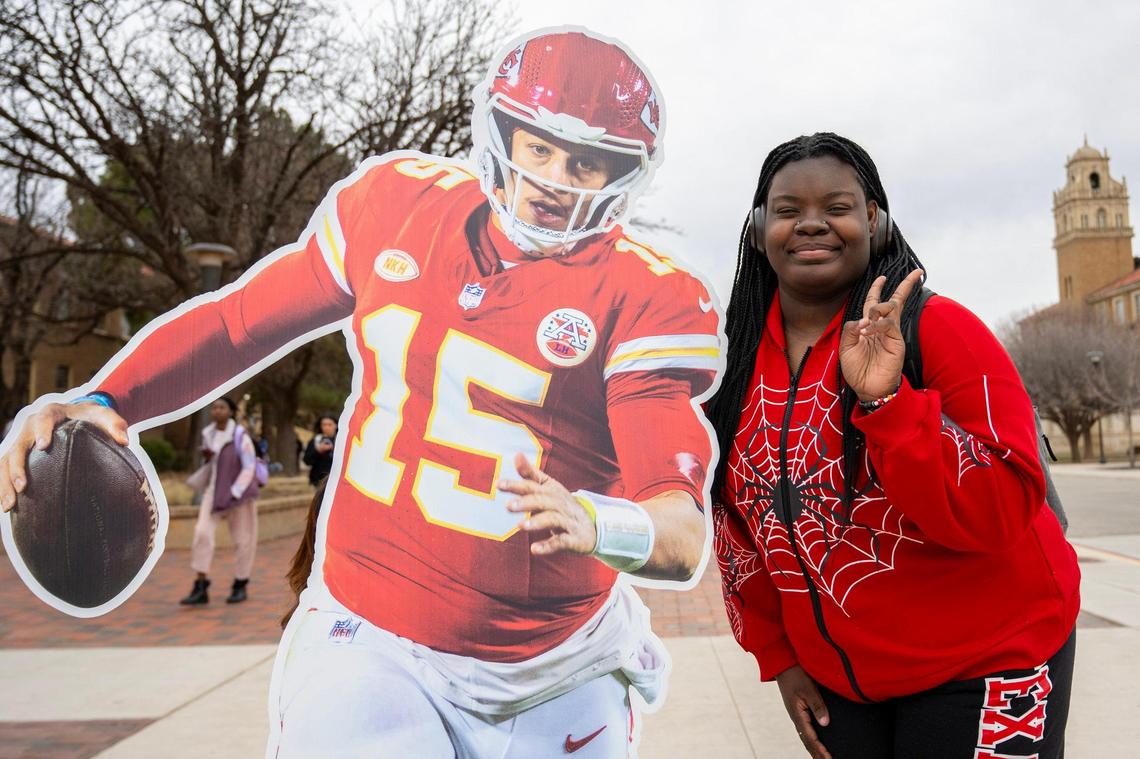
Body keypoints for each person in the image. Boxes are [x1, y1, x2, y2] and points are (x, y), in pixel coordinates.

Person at [0, 28, 723, 757]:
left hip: (556, 667)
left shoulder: (645, 296)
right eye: (539, 147)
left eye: (587, 162)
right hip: (370, 636)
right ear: (502, 133)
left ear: (621, 177)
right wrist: (104, 399)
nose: (554, 177)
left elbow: (682, 527)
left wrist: (600, 524)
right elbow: (240, 322)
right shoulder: (397, 206)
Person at [704, 132, 1080, 759]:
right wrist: (779, 657)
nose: (813, 224)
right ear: (759, 225)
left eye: (839, 207)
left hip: (987, 661)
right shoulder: (732, 364)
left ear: (875, 220)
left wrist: (887, 406)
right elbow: (736, 524)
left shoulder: (939, 329)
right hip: (842, 686)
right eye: (789, 210)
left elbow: (1003, 508)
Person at [180, 396, 260, 605]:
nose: (217, 411)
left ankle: (240, 584)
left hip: (238, 494)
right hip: (214, 491)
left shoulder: (240, 435)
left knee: (244, 539)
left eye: (222, 407)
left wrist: (235, 491)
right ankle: (200, 584)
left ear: (231, 411)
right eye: (214, 408)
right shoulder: (208, 434)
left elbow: (249, 466)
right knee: (202, 532)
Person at [301, 414, 337, 486]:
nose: (327, 427)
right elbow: (306, 460)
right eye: (324, 425)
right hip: (318, 480)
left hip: (336, 478)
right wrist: (318, 451)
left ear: (335, 425)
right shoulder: (315, 441)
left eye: (329, 425)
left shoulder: (342, 441)